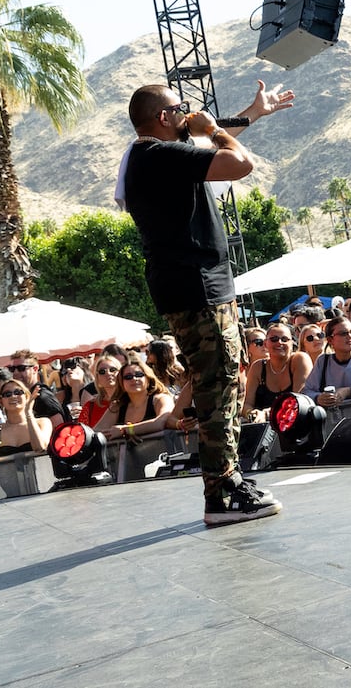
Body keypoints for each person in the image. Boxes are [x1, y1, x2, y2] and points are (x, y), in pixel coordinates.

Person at [122, 80, 292, 525]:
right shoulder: (155, 155)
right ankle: (222, 491)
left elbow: (205, 139)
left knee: (222, 382)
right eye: (180, 109)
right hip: (196, 285)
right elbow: (239, 163)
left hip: (193, 285)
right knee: (217, 386)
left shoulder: (154, 157)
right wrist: (218, 130)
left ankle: (228, 481)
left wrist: (251, 114)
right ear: (163, 118)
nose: (187, 114)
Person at [101, 360, 183, 441]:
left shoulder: (161, 399)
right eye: (128, 377)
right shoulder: (118, 406)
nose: (134, 379)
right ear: (121, 383)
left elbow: (161, 422)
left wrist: (126, 430)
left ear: (148, 379)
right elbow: (97, 431)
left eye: (139, 374)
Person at [243, 322, 310, 419]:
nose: (279, 342)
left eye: (284, 339)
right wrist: (252, 413)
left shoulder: (299, 359)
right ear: (265, 344)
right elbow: (247, 404)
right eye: (274, 339)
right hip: (264, 427)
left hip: (295, 424)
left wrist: (267, 413)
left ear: (292, 343)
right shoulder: (258, 367)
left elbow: (298, 401)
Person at [0, 378, 53, 455]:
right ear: (1, 401)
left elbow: (40, 448)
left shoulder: (42, 422)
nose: (13, 396)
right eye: (7, 394)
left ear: (26, 397)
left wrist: (29, 414)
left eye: (18, 392)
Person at [7, 350, 70, 424]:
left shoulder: (43, 397)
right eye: (12, 369)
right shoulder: (25, 395)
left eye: (21, 368)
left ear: (35, 369)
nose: (15, 372)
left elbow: (60, 427)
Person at [80, 354, 121, 430]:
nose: (108, 373)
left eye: (113, 370)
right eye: (102, 371)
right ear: (97, 377)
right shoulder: (90, 406)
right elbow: (83, 433)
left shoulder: (129, 400)